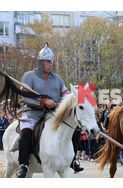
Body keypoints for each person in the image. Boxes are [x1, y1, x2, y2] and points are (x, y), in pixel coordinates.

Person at [16, 44, 83, 178]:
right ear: (40, 62)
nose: (50, 64)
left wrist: (68, 100)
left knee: (75, 128)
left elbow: (65, 94)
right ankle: (23, 164)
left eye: (51, 61)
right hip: (33, 112)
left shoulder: (57, 79)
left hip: (53, 113)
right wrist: (43, 101)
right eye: (47, 61)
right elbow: (26, 97)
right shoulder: (29, 76)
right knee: (27, 130)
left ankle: (72, 160)